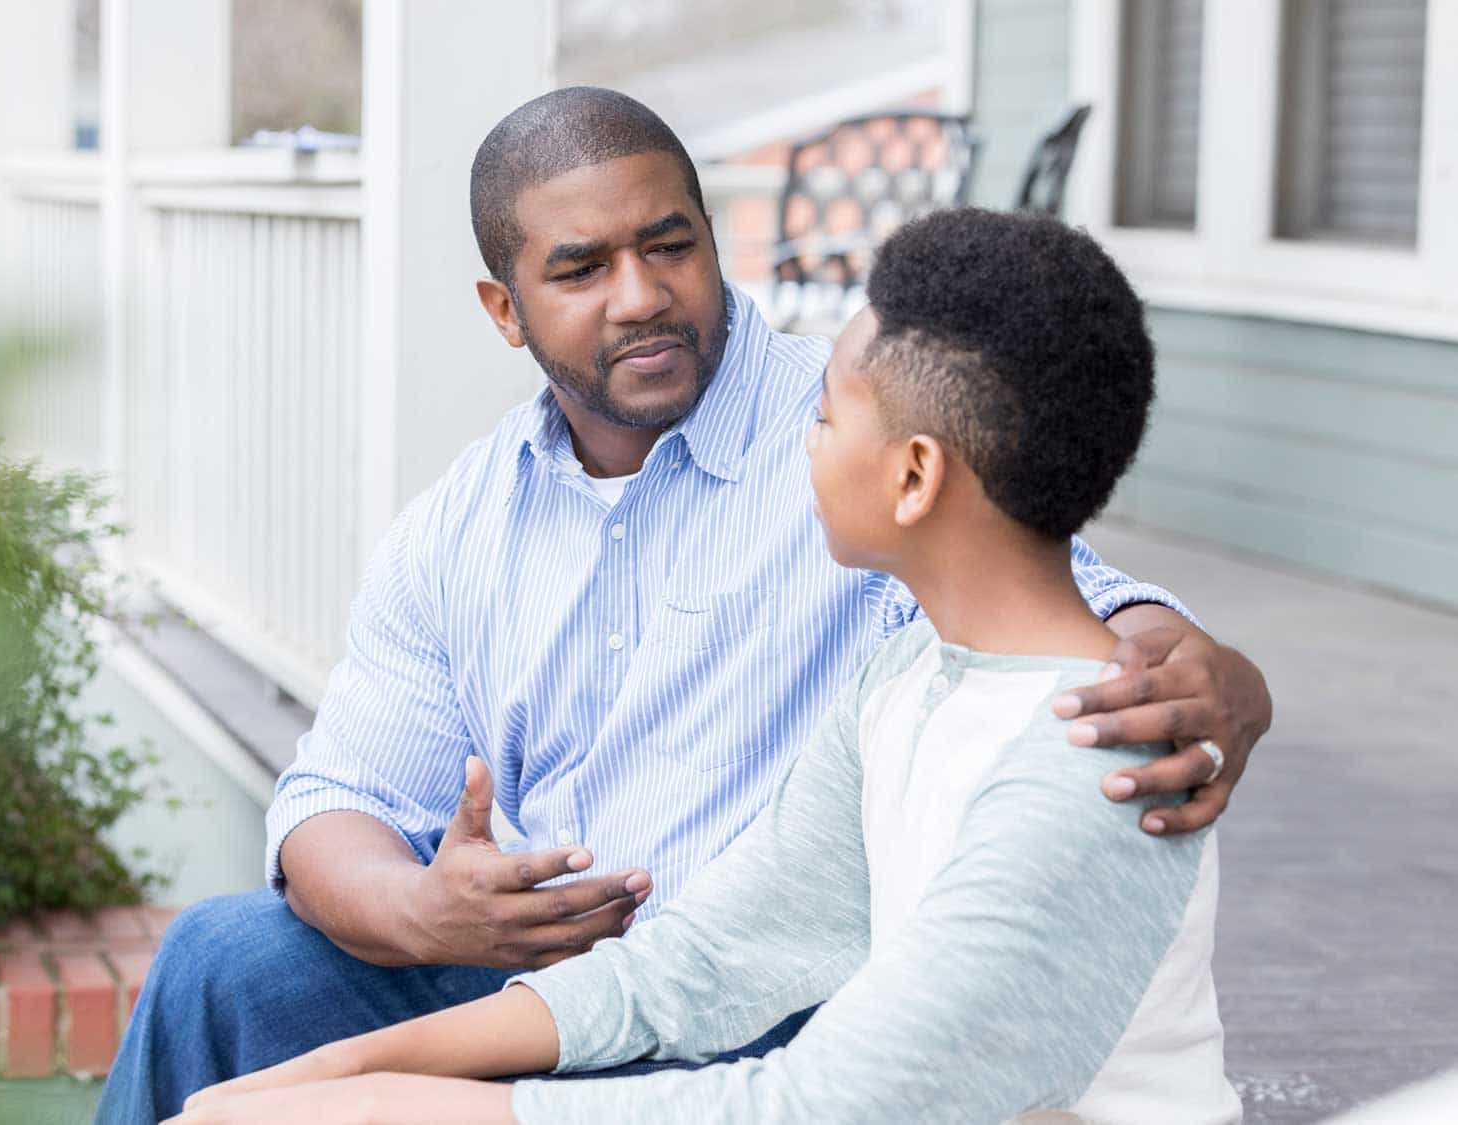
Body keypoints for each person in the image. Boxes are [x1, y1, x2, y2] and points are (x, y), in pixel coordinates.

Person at [98, 88, 1271, 1123]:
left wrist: (1200, 672)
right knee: (226, 964)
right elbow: (353, 806)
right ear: (504, 309)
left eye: (672, 248)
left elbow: (1058, 589)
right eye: (579, 269)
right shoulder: (470, 527)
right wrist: (407, 950)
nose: (641, 298)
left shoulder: (885, 431)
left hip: (805, 1023)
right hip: (612, 976)